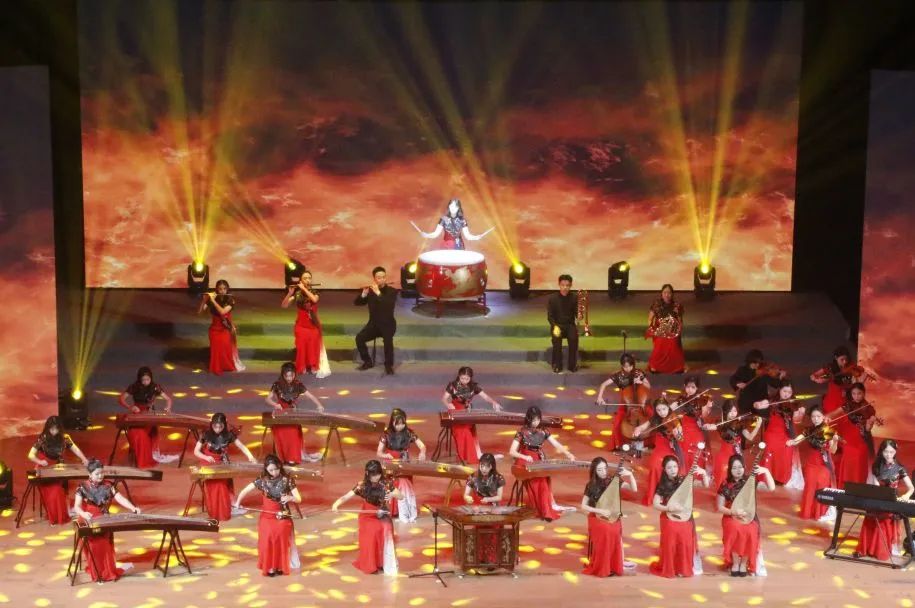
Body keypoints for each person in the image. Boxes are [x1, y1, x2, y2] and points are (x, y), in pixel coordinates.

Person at [73, 459, 142, 582]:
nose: (100, 476)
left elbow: (120, 498)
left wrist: (133, 508)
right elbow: (77, 506)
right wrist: (83, 513)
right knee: (95, 546)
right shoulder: (82, 487)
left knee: (104, 544)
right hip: (88, 518)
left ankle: (106, 571)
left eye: (102, 473)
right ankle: (98, 572)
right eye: (97, 474)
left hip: (104, 518)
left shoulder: (108, 485)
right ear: (89, 474)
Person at [234, 455, 302, 576]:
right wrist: (238, 503)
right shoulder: (262, 480)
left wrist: (290, 497)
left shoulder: (287, 480)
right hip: (267, 517)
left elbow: (298, 498)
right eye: (271, 470)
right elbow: (245, 490)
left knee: (280, 539)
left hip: (282, 515)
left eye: (276, 469)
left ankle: (280, 565)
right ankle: (270, 566)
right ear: (266, 469)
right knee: (267, 540)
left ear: (280, 466)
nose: (274, 472)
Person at [332, 460, 401, 575]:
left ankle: (383, 562)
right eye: (373, 475)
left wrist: (393, 494)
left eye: (378, 474)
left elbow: (401, 496)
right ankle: (371, 564)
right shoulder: (362, 485)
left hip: (382, 513)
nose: (376, 477)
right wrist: (336, 504)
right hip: (367, 515)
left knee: (386, 529)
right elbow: (346, 496)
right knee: (372, 531)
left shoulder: (386, 483)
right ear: (367, 474)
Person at [508, 406, 577, 521]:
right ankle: (546, 511)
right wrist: (525, 456)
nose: (536, 422)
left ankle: (547, 508)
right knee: (540, 481)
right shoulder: (522, 432)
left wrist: (568, 454)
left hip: (538, 460)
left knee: (543, 478)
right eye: (533, 420)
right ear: (528, 419)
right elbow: (512, 451)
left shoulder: (543, 431)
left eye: (538, 419)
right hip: (525, 462)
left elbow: (556, 444)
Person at [854, 439, 913, 561]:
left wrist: (906, 495)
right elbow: (876, 486)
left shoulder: (899, 468)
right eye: (886, 451)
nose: (888, 455)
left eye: (891, 452)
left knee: (884, 518)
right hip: (879, 498)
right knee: (870, 515)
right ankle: (865, 549)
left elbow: (911, 488)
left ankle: (880, 550)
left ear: (895, 452)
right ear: (881, 451)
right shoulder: (876, 466)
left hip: (891, 501)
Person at [716, 455, 775, 577]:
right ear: (730, 469)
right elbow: (720, 507)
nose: (738, 470)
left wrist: (766, 471)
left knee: (750, 531)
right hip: (731, 515)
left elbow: (771, 488)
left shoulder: (750, 481)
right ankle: (735, 563)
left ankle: (743, 563)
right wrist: (734, 512)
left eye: (740, 467)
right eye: (734, 468)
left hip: (749, 516)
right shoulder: (725, 484)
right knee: (734, 528)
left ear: (744, 467)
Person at [650, 455, 708, 578]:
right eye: (669, 467)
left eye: (675, 466)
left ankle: (683, 568)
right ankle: (670, 568)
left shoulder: (684, 480)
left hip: (685, 516)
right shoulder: (662, 485)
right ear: (664, 469)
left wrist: (703, 474)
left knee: (685, 542)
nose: (673, 470)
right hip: (669, 516)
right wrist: (668, 508)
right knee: (671, 541)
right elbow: (655, 504)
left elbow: (705, 485)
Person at [193, 412, 257, 521]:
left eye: (220, 426)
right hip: (208, 462)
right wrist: (205, 457)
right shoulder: (205, 434)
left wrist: (250, 456)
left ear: (225, 425)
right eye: (215, 426)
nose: (218, 429)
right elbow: (196, 451)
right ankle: (216, 511)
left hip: (222, 462)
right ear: (211, 424)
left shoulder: (229, 435)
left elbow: (242, 446)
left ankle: (226, 508)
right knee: (216, 485)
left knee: (223, 484)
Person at [580, 456, 637, 578]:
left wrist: (630, 475)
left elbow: (634, 489)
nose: (603, 472)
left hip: (612, 515)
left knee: (614, 530)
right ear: (594, 471)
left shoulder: (613, 481)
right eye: (599, 470)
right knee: (606, 530)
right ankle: (603, 567)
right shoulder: (591, 485)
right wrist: (599, 510)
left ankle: (614, 565)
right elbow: (583, 506)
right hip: (596, 517)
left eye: (605, 469)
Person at [27, 415, 89, 524]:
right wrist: (40, 461)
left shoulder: (65, 438)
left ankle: (63, 511)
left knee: (61, 490)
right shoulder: (43, 438)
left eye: (56, 429)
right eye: (51, 429)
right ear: (47, 428)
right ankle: (57, 515)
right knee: (55, 491)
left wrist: (84, 459)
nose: (54, 431)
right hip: (44, 469)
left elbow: (75, 449)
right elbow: (30, 455)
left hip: (58, 468)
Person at [265, 362, 326, 464]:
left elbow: (311, 396)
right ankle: (285, 457)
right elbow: (267, 399)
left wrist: (319, 405)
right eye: (287, 376)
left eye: (291, 375)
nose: (289, 378)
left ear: (294, 374)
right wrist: (275, 404)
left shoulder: (298, 385)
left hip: (293, 413)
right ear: (283, 375)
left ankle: (292, 458)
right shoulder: (277, 384)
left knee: (293, 433)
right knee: (283, 433)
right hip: (280, 413)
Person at [787, 405, 840, 522]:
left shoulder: (828, 430)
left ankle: (820, 513)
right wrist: (792, 441)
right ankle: (808, 512)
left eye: (818, 416)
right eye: (813, 416)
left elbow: (833, 451)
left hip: (824, 463)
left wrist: (835, 441)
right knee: (810, 486)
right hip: (811, 463)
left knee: (821, 486)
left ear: (823, 417)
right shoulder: (809, 430)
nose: (816, 419)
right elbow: (799, 438)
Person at [117, 366, 176, 468]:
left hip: (149, 415)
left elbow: (168, 399)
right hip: (137, 414)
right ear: (139, 379)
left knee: (143, 434)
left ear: (151, 378)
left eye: (147, 379)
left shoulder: (155, 387)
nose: (145, 382)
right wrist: (131, 407)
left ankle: (143, 459)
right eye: (143, 380)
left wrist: (168, 407)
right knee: (137, 433)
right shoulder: (134, 386)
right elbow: (121, 399)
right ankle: (142, 460)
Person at [442, 366, 502, 464]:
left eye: (467, 379)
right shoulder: (453, 385)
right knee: (463, 431)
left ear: (470, 378)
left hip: (467, 413)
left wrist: (493, 402)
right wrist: (448, 404)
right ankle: (467, 456)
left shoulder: (473, 386)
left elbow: (485, 396)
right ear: (459, 376)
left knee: (467, 430)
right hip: (455, 412)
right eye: (462, 378)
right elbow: (444, 398)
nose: (464, 380)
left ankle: (471, 455)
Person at [376, 408, 426, 523]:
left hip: (404, 461)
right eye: (397, 424)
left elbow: (422, 446)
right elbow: (379, 452)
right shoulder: (386, 434)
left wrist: (422, 452)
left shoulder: (409, 433)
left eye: (402, 423)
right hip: (391, 462)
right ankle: (392, 510)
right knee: (392, 484)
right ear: (392, 422)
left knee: (405, 483)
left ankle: (405, 510)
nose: (400, 426)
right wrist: (385, 455)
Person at [633, 397, 684, 506]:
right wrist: (638, 429)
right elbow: (644, 426)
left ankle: (670, 495)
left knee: (672, 467)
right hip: (660, 446)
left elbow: (681, 438)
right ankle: (654, 495)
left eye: (664, 409)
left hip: (672, 447)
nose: (662, 412)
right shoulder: (655, 418)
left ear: (668, 407)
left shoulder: (674, 418)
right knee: (655, 466)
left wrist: (677, 434)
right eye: (659, 410)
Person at [595, 354, 651, 452]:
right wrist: (599, 397)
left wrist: (641, 382)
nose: (628, 368)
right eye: (625, 367)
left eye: (630, 366)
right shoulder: (618, 375)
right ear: (622, 366)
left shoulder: (639, 373)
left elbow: (648, 386)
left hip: (640, 403)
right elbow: (603, 384)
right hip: (626, 404)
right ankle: (619, 445)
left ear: (633, 365)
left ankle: (649, 442)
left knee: (652, 416)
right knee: (617, 423)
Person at [754, 381, 804, 486]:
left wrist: (800, 413)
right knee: (770, 451)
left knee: (786, 451)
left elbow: (797, 420)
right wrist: (758, 405)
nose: (786, 394)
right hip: (772, 433)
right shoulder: (772, 401)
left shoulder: (794, 404)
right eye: (784, 391)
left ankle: (780, 479)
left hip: (786, 434)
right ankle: (766, 477)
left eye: (789, 392)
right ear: (779, 390)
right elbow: (757, 406)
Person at [829, 382, 879, 486]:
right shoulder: (848, 405)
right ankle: (847, 486)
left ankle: (858, 486)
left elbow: (868, 429)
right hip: (849, 439)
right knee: (848, 461)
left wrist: (871, 421)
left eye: (859, 393)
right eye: (854, 394)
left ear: (864, 393)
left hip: (862, 439)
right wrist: (827, 417)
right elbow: (835, 413)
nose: (856, 396)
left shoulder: (869, 409)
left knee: (859, 462)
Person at [282, 269, 329, 377]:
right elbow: (284, 305)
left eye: (309, 278)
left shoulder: (315, 292)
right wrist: (289, 294)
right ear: (301, 281)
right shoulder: (297, 294)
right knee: (301, 346)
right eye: (305, 278)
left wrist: (304, 289)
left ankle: (313, 365)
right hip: (301, 325)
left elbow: (314, 300)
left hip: (313, 325)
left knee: (313, 346)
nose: (308, 280)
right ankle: (302, 366)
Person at [704, 400, 762, 487]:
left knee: (738, 471)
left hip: (736, 453)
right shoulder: (722, 423)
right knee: (722, 470)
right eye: (730, 411)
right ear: (726, 412)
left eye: (735, 411)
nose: (733, 413)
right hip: (724, 453)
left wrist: (757, 426)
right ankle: (723, 489)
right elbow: (712, 426)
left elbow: (750, 437)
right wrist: (707, 426)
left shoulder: (740, 424)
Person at [463, 453, 507, 566]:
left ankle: (491, 559)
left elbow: (499, 497)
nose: (483, 469)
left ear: (491, 466)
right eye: (481, 466)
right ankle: (480, 557)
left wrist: (488, 499)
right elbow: (466, 494)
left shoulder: (498, 478)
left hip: (493, 508)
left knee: (492, 534)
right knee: (479, 532)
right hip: (478, 508)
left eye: (486, 466)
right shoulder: (473, 476)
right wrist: (467, 498)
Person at [354, 266, 398, 375]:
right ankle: (367, 361)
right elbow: (357, 303)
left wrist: (378, 292)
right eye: (379, 278)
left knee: (388, 341)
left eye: (384, 277)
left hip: (388, 325)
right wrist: (364, 294)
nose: (382, 279)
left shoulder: (392, 291)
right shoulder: (371, 292)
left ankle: (388, 365)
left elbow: (387, 304)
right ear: (374, 279)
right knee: (359, 338)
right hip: (374, 325)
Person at [198, 279, 244, 375]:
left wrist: (213, 301)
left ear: (227, 289)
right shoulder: (213, 298)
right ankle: (217, 366)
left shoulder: (231, 300)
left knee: (224, 344)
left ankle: (226, 365)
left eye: (224, 289)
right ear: (217, 289)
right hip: (214, 328)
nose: (222, 291)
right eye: (220, 289)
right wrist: (204, 300)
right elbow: (200, 312)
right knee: (216, 347)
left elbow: (222, 312)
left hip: (226, 327)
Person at [410, 198, 492, 250]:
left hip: (458, 246)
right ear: (449, 207)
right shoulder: (443, 219)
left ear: (458, 208)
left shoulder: (462, 220)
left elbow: (468, 236)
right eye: (451, 206)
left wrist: (476, 237)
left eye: (455, 206)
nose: (453, 208)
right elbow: (435, 234)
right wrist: (426, 235)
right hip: (446, 246)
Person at [670, 376, 713, 470]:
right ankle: (685, 472)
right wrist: (667, 409)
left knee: (696, 451)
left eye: (693, 387)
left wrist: (708, 407)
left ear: (697, 388)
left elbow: (704, 415)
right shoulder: (682, 398)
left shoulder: (701, 399)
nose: (690, 389)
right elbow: (672, 407)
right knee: (685, 451)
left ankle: (697, 473)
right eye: (688, 387)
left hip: (696, 427)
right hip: (684, 426)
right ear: (684, 386)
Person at [810, 346, 869, 415]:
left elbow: (857, 378)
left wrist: (862, 378)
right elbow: (814, 375)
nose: (845, 362)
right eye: (842, 359)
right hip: (834, 395)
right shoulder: (831, 367)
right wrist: (815, 379)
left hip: (846, 395)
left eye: (846, 359)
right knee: (833, 413)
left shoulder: (850, 367)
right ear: (836, 358)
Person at [729, 349, 784, 415]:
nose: (757, 364)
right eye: (755, 362)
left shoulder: (763, 372)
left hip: (760, 404)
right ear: (750, 361)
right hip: (746, 405)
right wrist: (738, 383)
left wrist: (780, 377)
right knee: (746, 419)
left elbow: (775, 384)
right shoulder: (742, 370)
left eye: (759, 362)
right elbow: (733, 379)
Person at [646, 284, 685, 374]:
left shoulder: (677, 306)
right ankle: (655, 366)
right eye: (665, 292)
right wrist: (653, 329)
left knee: (673, 343)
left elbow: (680, 321)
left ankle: (675, 367)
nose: (667, 295)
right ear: (661, 294)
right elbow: (650, 319)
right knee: (660, 343)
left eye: (669, 293)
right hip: (660, 329)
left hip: (672, 330)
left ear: (672, 294)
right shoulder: (656, 304)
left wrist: (678, 331)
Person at [547, 274, 579, 373]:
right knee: (556, 340)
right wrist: (554, 326)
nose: (565, 287)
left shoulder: (574, 297)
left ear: (570, 285)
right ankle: (557, 365)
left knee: (574, 339)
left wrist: (580, 315)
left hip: (570, 325)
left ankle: (572, 365)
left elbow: (576, 314)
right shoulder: (552, 298)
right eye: (563, 285)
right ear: (559, 285)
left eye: (567, 285)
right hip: (557, 325)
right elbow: (550, 316)